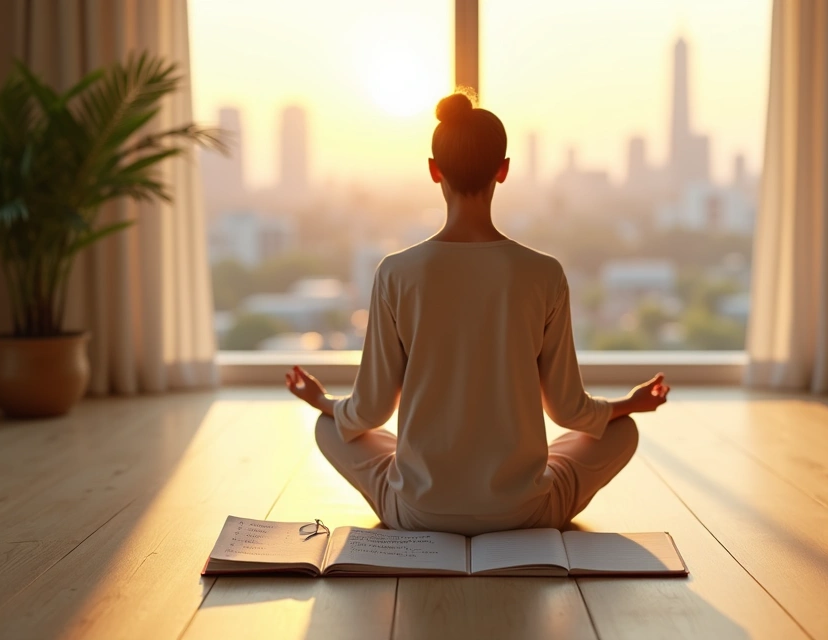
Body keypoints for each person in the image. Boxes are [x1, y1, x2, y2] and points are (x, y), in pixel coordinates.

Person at [285, 90, 669, 536]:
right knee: (623, 432)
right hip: (523, 514)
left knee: (329, 429)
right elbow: (569, 411)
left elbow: (368, 412)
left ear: (434, 170)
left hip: (418, 514)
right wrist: (631, 403)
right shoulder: (544, 273)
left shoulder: (395, 273)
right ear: (503, 170)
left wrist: (321, 401)